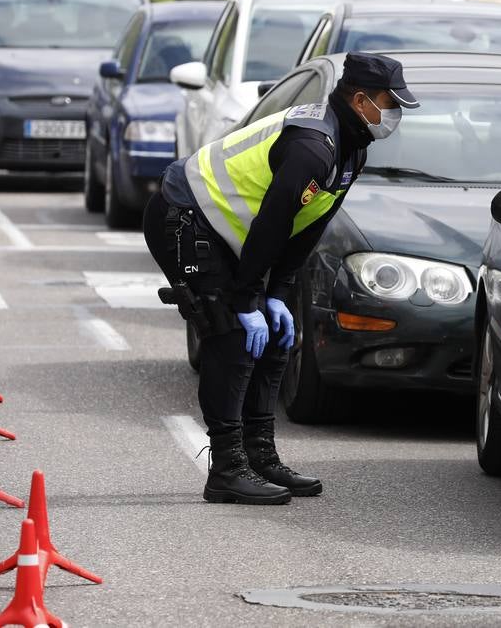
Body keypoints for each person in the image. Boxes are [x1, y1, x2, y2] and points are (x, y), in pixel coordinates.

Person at [143, 52, 418, 505]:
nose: (396, 113)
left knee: (275, 337)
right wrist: (248, 299)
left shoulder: (353, 147)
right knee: (228, 332)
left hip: (223, 233)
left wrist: (276, 295)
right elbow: (273, 222)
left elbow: (307, 224)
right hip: (183, 214)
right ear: (361, 99)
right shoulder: (313, 145)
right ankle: (227, 470)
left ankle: (260, 456)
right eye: (391, 102)